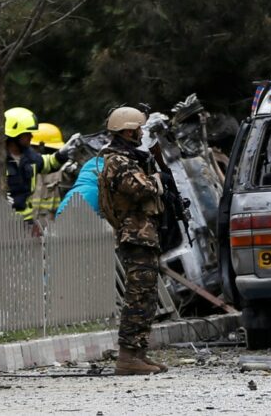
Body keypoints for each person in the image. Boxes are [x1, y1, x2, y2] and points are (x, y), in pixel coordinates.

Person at [97, 106, 168, 375]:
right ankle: (128, 356)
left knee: (147, 296)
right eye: (138, 129)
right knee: (137, 297)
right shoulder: (118, 161)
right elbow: (141, 188)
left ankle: (138, 353)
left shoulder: (129, 158)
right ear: (128, 131)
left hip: (143, 235)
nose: (141, 133)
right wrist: (158, 180)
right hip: (135, 234)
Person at [0, 108, 73, 223]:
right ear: (14, 135)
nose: (31, 137)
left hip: (26, 223)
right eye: (27, 134)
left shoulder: (30, 156)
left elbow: (49, 163)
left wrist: (63, 153)